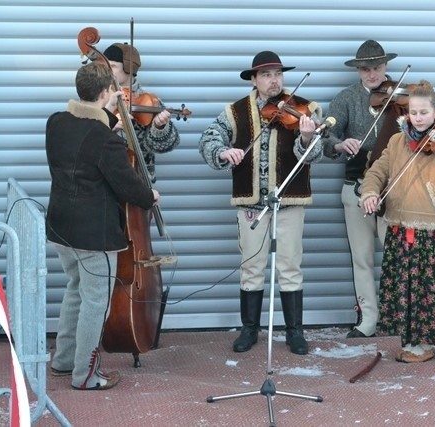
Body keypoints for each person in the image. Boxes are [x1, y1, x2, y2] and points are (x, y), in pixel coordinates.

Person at [198, 51, 324, 355]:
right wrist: (222, 152)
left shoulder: (305, 108)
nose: (274, 80)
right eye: (266, 75)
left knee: (290, 265)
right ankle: (249, 329)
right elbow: (208, 139)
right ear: (254, 79)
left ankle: (294, 332)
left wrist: (307, 139)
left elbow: (317, 154)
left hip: (290, 199)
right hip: (252, 201)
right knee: (252, 266)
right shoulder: (235, 111)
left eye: (278, 74)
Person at [46, 61, 160, 390]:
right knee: (97, 302)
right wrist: (149, 195)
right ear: (107, 92)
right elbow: (129, 187)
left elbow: (86, 137)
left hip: (61, 229)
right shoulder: (105, 140)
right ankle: (85, 375)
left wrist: (108, 116)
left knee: (75, 291)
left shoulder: (56, 122)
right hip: (94, 236)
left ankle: (64, 360)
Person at [359, 80, 435, 362]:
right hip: (399, 225)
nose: (418, 117)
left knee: (425, 288)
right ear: (406, 113)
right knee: (403, 288)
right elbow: (377, 171)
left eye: (424, 112)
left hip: (431, 227)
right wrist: (370, 193)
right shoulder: (397, 141)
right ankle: (410, 340)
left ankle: (424, 342)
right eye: (414, 112)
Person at [322, 40, 404, 338]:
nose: (372, 74)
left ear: (386, 67)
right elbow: (326, 135)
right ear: (358, 70)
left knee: (397, 255)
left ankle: (398, 316)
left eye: (378, 68)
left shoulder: (400, 96)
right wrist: (339, 144)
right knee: (362, 257)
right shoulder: (345, 99)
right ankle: (368, 318)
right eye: (367, 69)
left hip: (393, 188)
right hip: (355, 186)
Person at [103, 42, 180, 183]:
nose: (107, 71)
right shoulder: (100, 97)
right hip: (103, 180)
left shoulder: (148, 100)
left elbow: (169, 145)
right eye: (105, 65)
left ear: (129, 68)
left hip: (139, 179)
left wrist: (159, 128)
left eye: (113, 66)